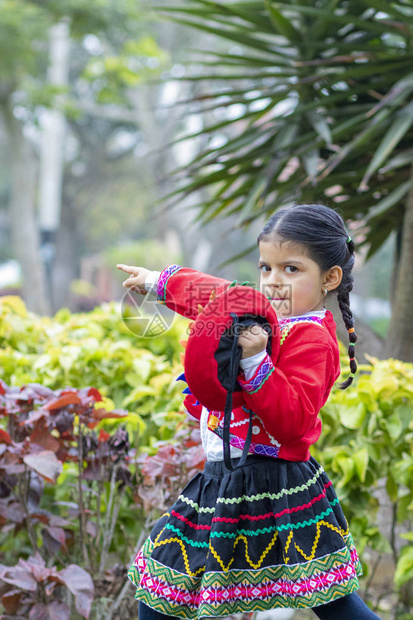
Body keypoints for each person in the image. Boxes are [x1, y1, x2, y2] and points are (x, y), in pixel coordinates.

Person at [117, 204, 381, 620]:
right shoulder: (265, 315)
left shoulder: (313, 339)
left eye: (291, 269)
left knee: (334, 604)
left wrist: (257, 362)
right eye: (266, 268)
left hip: (277, 486)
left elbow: (294, 421)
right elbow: (218, 295)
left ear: (329, 278)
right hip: (221, 480)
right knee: (161, 592)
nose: (274, 282)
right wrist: (156, 282)